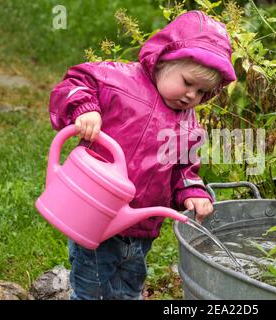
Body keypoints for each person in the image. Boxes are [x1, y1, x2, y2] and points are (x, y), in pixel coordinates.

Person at [48, 10, 236, 300]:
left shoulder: (188, 124)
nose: (191, 96)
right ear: (164, 61)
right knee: (92, 290)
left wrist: (192, 191)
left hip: (141, 228)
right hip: (95, 216)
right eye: (187, 82)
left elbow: (183, 169)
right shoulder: (118, 81)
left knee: (129, 288)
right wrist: (86, 109)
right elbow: (76, 81)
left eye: (202, 92)